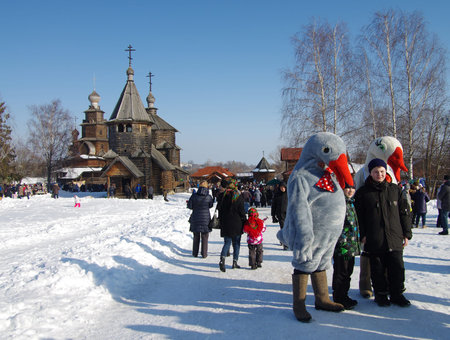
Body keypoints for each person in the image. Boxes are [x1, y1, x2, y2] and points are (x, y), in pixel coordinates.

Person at [354, 158, 412, 307]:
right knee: (377, 267)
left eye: (381, 171)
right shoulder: (363, 193)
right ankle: (380, 294)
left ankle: (397, 294)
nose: (379, 174)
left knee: (397, 267)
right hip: (375, 237)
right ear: (371, 173)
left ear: (386, 172)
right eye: (376, 172)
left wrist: (406, 233)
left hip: (394, 236)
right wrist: (363, 234)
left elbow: (404, 213)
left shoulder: (395, 190)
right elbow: (359, 216)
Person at [332, 184, 361, 310]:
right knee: (341, 272)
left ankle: (345, 295)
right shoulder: (339, 203)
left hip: (352, 244)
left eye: (352, 188)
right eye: (347, 188)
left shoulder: (351, 203)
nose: (350, 191)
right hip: (342, 244)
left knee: (348, 272)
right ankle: (339, 297)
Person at [217, 179, 246, 272]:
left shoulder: (222, 196)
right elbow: (242, 211)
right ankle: (235, 262)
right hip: (237, 223)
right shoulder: (238, 196)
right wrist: (245, 220)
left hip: (225, 223)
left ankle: (222, 259)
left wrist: (221, 221)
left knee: (227, 243)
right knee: (236, 244)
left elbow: (219, 210)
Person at [187, 181, 213, 258]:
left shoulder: (194, 196)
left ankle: (195, 253)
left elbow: (190, 206)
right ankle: (204, 253)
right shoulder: (208, 197)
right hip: (205, 218)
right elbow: (210, 205)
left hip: (195, 217)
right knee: (205, 236)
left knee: (196, 236)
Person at [272, 181, 288, 249]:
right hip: (280, 214)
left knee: (288, 229)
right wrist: (273, 215)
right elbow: (274, 205)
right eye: (281, 187)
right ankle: (285, 244)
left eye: (283, 187)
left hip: (288, 214)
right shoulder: (277, 195)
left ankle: (284, 240)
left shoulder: (288, 194)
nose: (282, 189)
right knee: (283, 228)